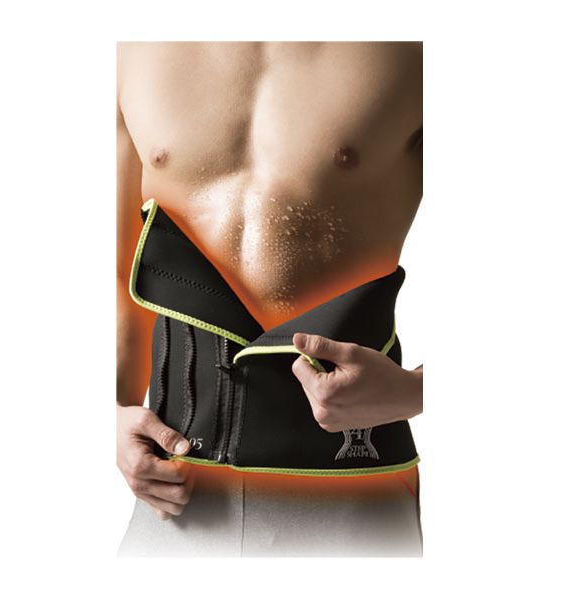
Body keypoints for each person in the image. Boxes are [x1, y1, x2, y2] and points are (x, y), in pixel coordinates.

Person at [116, 41, 423, 557]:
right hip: (172, 500)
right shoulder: (134, 47)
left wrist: (416, 392)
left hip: (355, 500)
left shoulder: (416, 47)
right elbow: (120, 272)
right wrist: (111, 415)